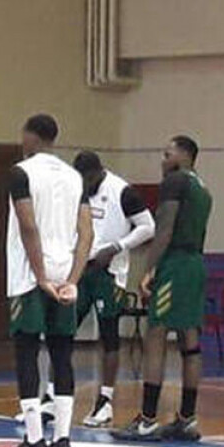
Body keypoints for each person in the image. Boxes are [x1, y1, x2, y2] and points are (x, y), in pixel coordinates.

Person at [115, 136, 212, 443]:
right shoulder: (203, 188)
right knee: (190, 341)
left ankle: (147, 419)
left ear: (184, 156)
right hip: (196, 264)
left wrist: (149, 270)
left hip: (176, 265)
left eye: (168, 153)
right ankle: (187, 419)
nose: (163, 159)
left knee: (156, 335)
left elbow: (164, 230)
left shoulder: (175, 182)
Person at [6, 114, 92, 447]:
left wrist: (41, 276)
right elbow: (87, 233)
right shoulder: (75, 176)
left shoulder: (21, 172)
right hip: (65, 271)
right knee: (62, 352)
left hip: (30, 275)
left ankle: (34, 436)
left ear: (30, 136)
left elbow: (28, 226)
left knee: (26, 351)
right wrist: (72, 280)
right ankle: (63, 436)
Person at [73, 151, 154, 427]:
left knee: (109, 336)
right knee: (62, 332)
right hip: (80, 269)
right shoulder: (77, 190)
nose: (84, 185)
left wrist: (117, 247)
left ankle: (105, 401)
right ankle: (51, 398)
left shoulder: (122, 191)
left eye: (87, 180)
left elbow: (148, 227)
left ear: (98, 172)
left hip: (109, 274)